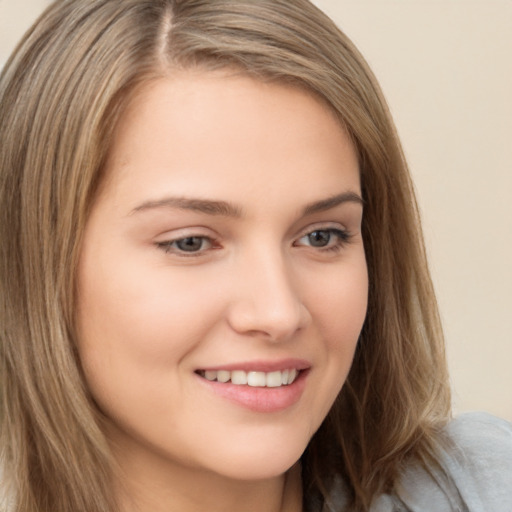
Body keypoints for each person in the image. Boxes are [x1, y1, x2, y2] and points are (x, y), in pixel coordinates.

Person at [0, 1, 511, 511]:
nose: (279, 313)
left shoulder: (480, 489)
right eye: (190, 242)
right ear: (38, 260)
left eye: (321, 236)